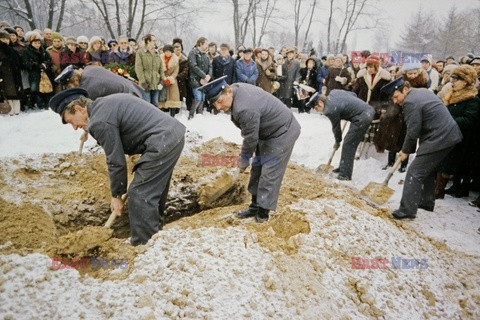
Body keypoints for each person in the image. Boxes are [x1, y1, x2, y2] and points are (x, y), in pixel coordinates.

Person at [49, 88, 186, 246]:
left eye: (72, 121)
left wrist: (116, 195)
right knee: (153, 190)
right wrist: (87, 129)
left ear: (79, 109)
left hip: (162, 140)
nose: (74, 127)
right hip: (171, 135)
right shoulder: (101, 107)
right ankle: (155, 236)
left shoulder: (99, 121)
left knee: (139, 193)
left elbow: (115, 160)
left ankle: (143, 245)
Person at [198, 76, 301, 222]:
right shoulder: (235, 90)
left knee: (269, 170)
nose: (218, 108)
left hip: (283, 131)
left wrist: (244, 159)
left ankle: (263, 213)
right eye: (214, 104)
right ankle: (254, 206)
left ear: (228, 91)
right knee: (257, 167)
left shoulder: (244, 108)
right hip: (266, 130)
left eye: (220, 101)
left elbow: (251, 138)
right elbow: (251, 134)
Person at [380, 78, 462, 219]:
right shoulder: (422, 91)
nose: (395, 101)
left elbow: (413, 131)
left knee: (414, 172)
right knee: (426, 169)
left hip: (439, 138)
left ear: (405, 90)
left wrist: (405, 151)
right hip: (447, 135)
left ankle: (407, 210)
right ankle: (426, 202)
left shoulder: (410, 102)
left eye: (396, 97)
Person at [306, 90, 375, 180]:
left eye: (316, 108)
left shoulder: (329, 110)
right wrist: (349, 107)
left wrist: (337, 141)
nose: (318, 111)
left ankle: (345, 174)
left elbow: (336, 128)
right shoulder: (334, 92)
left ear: (320, 102)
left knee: (349, 143)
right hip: (364, 111)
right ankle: (343, 167)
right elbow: (353, 94)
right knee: (348, 142)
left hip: (364, 116)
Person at [435, 65, 480, 199]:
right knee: (441, 160)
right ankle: (439, 187)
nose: (452, 82)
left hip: (460, 137)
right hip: (446, 133)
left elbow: (468, 119)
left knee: (448, 162)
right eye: (452, 79)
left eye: (456, 79)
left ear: (466, 82)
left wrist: (448, 119)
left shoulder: (473, 99)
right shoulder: (450, 94)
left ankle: (440, 190)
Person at [55, 64, 144, 99]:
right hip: (133, 89)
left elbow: (97, 114)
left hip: (131, 98)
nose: (70, 89)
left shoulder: (89, 90)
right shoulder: (89, 69)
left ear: (75, 80)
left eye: (69, 86)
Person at [22, 31, 53, 109]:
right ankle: (39, 105)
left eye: (38, 43)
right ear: (31, 43)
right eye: (35, 43)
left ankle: (48, 104)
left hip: (44, 73)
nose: (37, 45)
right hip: (34, 73)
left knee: (47, 88)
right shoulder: (27, 51)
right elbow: (25, 63)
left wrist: (45, 64)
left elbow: (49, 59)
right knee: (35, 90)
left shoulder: (43, 51)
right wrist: (35, 65)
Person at [135, 33, 165, 106]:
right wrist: (142, 82)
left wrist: (162, 80)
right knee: (146, 105)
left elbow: (161, 68)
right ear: (148, 41)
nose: (155, 42)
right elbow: (138, 68)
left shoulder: (156, 53)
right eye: (153, 41)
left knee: (155, 104)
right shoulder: (140, 52)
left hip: (156, 83)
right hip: (146, 83)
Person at [187, 36, 211, 119]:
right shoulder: (193, 53)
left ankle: (199, 115)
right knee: (198, 97)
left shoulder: (206, 54)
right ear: (201, 44)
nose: (207, 46)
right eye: (206, 44)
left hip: (204, 81)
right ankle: (191, 115)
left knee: (202, 98)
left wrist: (209, 75)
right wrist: (204, 75)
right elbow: (193, 66)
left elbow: (210, 66)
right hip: (195, 79)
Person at [0, 30, 23, 115]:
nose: (5, 40)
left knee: (16, 92)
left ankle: (16, 110)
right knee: (7, 93)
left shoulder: (12, 50)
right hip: (5, 74)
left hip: (14, 73)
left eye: (7, 39)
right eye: (3, 39)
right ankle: (10, 110)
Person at [158, 44, 181, 117]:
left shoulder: (175, 59)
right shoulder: (160, 59)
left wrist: (170, 79)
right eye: (166, 51)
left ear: (172, 52)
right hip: (162, 79)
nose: (167, 53)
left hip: (172, 80)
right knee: (162, 98)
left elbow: (176, 71)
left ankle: (172, 115)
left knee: (173, 98)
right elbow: (159, 70)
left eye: (169, 51)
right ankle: (161, 115)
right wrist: (164, 78)